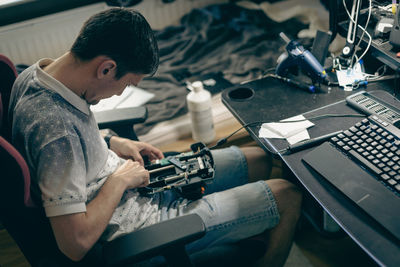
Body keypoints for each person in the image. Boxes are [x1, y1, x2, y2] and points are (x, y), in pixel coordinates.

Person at [9, 7, 302, 266]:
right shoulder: (56, 133)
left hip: (139, 186)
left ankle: (247, 231)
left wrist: (112, 142)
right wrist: (119, 180)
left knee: (260, 158)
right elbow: (74, 244)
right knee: (286, 194)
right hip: (141, 228)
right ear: (106, 68)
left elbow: (72, 144)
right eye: (126, 84)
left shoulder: (38, 75)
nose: (121, 93)